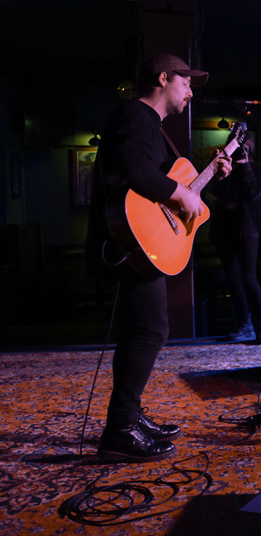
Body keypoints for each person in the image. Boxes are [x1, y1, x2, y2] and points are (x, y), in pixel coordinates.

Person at [85, 53, 230, 462]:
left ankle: (128, 416)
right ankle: (120, 430)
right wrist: (182, 193)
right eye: (186, 82)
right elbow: (135, 170)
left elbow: (174, 183)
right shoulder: (134, 115)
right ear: (163, 78)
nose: (190, 91)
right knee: (150, 331)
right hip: (129, 242)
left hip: (139, 243)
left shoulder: (151, 127)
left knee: (140, 330)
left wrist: (206, 177)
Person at [207, 133, 261, 342]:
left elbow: (254, 193)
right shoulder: (226, 169)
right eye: (238, 141)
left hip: (247, 229)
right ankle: (245, 324)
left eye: (248, 140)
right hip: (224, 229)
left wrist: (244, 166)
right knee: (233, 279)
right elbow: (211, 193)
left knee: (248, 277)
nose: (243, 144)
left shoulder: (260, 169)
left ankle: (260, 324)